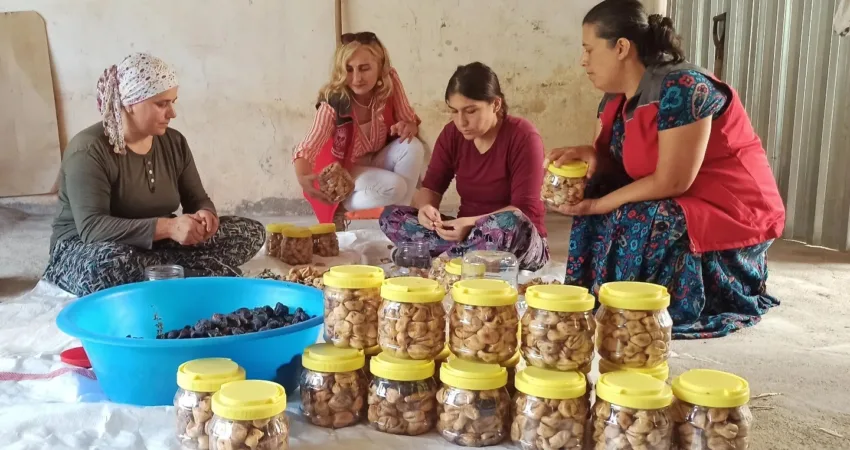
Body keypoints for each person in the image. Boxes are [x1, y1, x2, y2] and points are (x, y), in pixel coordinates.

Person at [549, 0, 786, 339]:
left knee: (645, 215)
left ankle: (650, 308)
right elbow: (627, 168)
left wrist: (601, 204)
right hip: (681, 198)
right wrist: (594, 160)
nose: (583, 61)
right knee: (594, 193)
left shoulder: (685, 88)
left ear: (621, 48)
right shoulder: (615, 98)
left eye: (589, 49)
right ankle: (604, 296)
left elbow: (673, 179)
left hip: (733, 210)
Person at [43, 53, 265, 297]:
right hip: (86, 247)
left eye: (173, 102)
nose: (172, 113)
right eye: (161, 104)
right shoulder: (88, 149)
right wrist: (169, 227)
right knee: (105, 267)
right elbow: (93, 228)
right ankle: (189, 272)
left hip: (154, 244)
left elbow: (197, 198)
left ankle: (165, 271)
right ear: (130, 103)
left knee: (249, 232)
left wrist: (205, 215)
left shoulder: (174, 142)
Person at [380, 62, 549, 271]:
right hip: (466, 234)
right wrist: (427, 209)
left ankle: (438, 262)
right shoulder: (453, 134)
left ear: (496, 104)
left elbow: (524, 211)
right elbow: (432, 188)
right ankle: (457, 258)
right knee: (391, 216)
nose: (461, 122)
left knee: (510, 223)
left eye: (470, 111)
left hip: (515, 239)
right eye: (454, 111)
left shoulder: (523, 136)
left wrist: (472, 222)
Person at [292, 32, 426, 229]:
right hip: (344, 172)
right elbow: (309, 145)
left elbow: (410, 120)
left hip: (377, 159)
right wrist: (303, 177)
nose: (356, 78)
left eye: (364, 69)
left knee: (412, 145)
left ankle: (401, 221)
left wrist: (408, 127)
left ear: (380, 67)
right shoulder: (334, 102)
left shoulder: (389, 85)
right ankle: (341, 205)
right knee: (395, 186)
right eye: (349, 69)